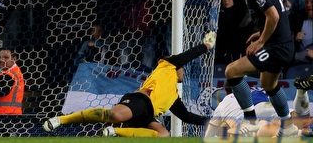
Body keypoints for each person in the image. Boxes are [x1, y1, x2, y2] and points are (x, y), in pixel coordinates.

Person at [43, 31, 216, 137]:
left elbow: (186, 116)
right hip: (139, 101)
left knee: (163, 134)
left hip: (147, 114)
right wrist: (206, 46)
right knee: (114, 116)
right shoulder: (167, 66)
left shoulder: (173, 96)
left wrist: (206, 121)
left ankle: (114, 132)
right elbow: (187, 56)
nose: (184, 72)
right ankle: (60, 120)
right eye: (183, 68)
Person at [225, 0, 297, 137]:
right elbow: (278, 15)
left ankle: (250, 122)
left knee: (231, 71)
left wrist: (262, 41)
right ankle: (288, 126)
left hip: (277, 47)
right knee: (268, 84)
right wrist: (260, 33)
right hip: (283, 44)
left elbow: (273, 16)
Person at [215, 0, 253, 64]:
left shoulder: (241, 13)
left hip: (237, 47)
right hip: (223, 48)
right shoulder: (218, 13)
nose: (226, 1)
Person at [290, 0, 313, 65]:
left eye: (312, 2)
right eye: (306, 2)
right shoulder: (297, 20)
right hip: (298, 63)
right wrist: (295, 38)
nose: (308, 5)